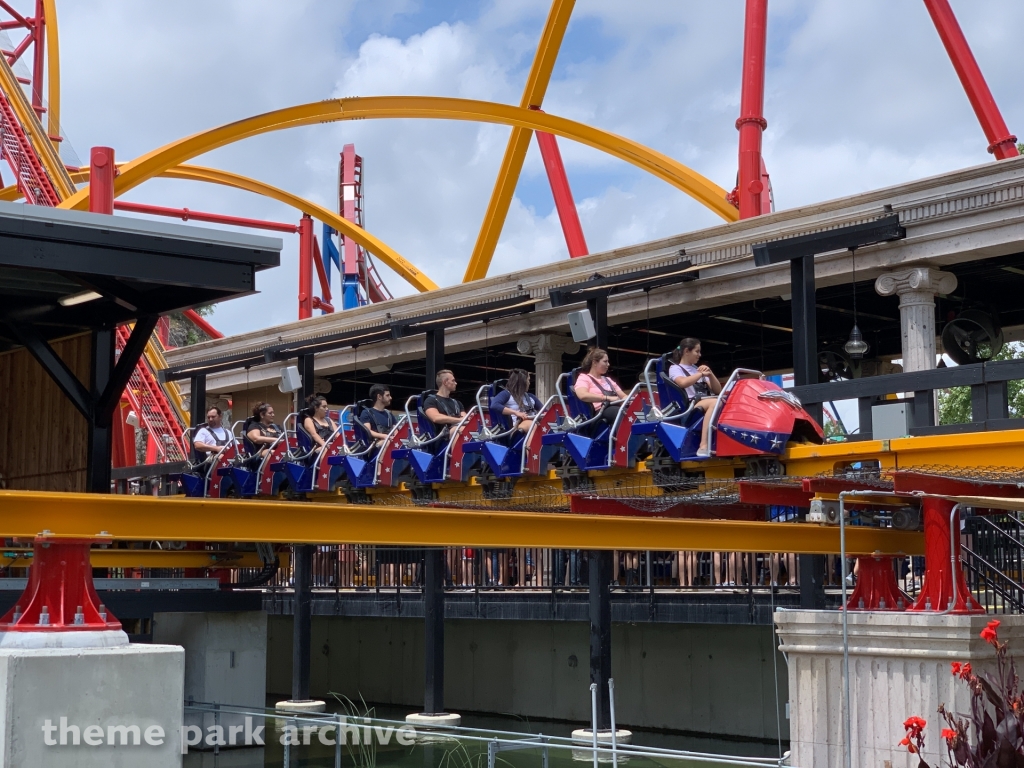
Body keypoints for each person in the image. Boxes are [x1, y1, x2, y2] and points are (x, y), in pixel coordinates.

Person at [668, 337, 723, 458]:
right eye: (697, 351)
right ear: (687, 351)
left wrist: (710, 373)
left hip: (706, 401)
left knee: (722, 401)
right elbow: (682, 383)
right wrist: (700, 374)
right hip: (691, 406)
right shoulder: (675, 368)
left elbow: (717, 390)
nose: (699, 355)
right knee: (715, 403)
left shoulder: (697, 370)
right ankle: (703, 445)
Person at [573, 348, 628, 425]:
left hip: (615, 407)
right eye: (605, 361)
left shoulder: (608, 380)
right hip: (600, 411)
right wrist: (607, 398)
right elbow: (582, 395)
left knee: (630, 412)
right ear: (595, 362)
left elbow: (623, 396)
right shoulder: (584, 378)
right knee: (620, 413)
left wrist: (628, 399)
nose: (608, 364)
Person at [490, 369, 542, 433]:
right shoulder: (506, 394)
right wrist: (516, 413)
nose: (529, 383)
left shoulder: (531, 397)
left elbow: (544, 410)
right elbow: (494, 405)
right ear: (522, 382)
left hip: (534, 423)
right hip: (516, 428)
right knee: (533, 426)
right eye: (528, 380)